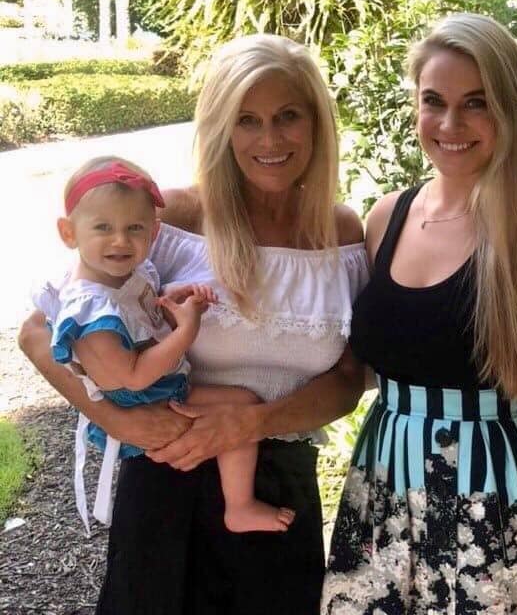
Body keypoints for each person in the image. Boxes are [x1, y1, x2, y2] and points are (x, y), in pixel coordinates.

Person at [19, 33, 369, 615]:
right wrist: (117, 421)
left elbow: (348, 380)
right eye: (247, 120)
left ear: (316, 123)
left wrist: (251, 422)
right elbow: (39, 331)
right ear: (221, 128)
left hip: (278, 489)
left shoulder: (340, 231)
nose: (270, 139)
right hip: (168, 476)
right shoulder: (174, 217)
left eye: (287, 116)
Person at [322, 13, 517, 615]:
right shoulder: (386, 218)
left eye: (477, 103)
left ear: (511, 111)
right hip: (384, 493)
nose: (450, 125)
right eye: (434, 101)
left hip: (490, 505)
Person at [33, 155, 295, 536]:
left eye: (134, 228)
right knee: (241, 410)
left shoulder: (126, 273)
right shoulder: (89, 311)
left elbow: (145, 307)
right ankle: (238, 506)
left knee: (242, 406)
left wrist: (174, 299)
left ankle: (234, 507)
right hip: (144, 402)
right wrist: (186, 331)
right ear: (68, 232)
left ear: (154, 232)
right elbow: (134, 376)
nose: (120, 240)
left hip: (158, 387)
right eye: (103, 227)